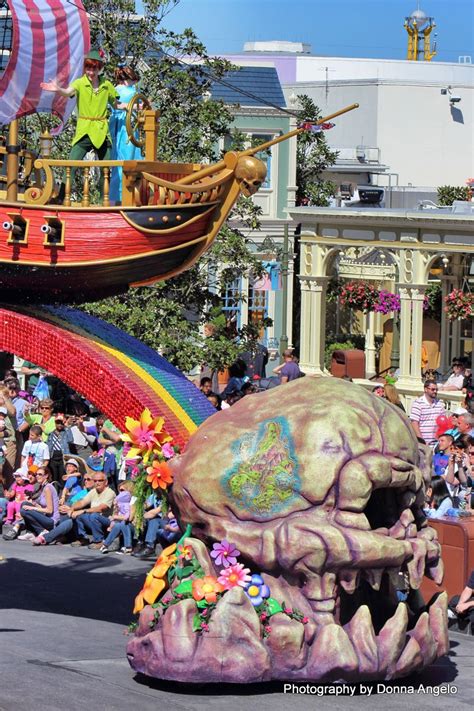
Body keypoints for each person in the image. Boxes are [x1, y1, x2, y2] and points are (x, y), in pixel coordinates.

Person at [40, 50, 118, 199]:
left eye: (94, 68)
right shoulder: (80, 83)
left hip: (101, 130)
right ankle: (61, 197)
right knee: (71, 166)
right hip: (84, 130)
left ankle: (104, 202)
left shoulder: (106, 85)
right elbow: (68, 91)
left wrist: (133, 106)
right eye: (88, 68)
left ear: (99, 68)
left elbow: (116, 104)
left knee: (106, 169)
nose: (91, 72)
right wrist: (58, 89)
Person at [109, 64, 142, 203]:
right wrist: (139, 107)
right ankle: (126, 197)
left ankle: (115, 198)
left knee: (119, 161)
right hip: (126, 128)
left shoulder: (114, 89)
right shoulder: (128, 91)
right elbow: (132, 105)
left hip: (119, 126)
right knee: (127, 160)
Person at [69, 471, 116, 548]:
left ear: (106, 482)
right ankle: (83, 538)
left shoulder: (110, 492)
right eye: (95, 481)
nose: (97, 483)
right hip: (94, 520)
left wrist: (83, 510)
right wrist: (72, 508)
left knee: (94, 515)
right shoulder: (93, 491)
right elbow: (82, 502)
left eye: (100, 480)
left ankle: (99, 541)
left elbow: (101, 508)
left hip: (107, 521)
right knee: (79, 515)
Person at [20, 466, 60, 538]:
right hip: (45, 517)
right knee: (24, 504)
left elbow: (49, 510)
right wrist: (34, 504)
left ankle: (41, 531)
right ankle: (30, 532)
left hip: (51, 521)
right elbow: (43, 507)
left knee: (25, 511)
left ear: (46, 476)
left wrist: (32, 508)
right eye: (36, 474)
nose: (37, 476)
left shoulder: (48, 488)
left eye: (40, 474)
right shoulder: (43, 487)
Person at [99, 480, 136, 554]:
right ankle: (105, 545)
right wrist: (112, 524)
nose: (121, 493)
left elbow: (128, 518)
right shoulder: (121, 503)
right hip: (123, 524)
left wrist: (115, 517)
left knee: (122, 524)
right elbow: (117, 516)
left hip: (133, 526)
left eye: (122, 490)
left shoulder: (133, 500)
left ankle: (128, 547)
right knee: (118, 525)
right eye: (120, 491)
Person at [409, 379, 446, 445]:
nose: (435, 391)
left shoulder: (440, 404)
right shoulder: (418, 403)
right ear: (425, 389)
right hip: (423, 442)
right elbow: (414, 423)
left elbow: (443, 423)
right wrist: (421, 441)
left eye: (436, 389)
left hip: (437, 443)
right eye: (432, 389)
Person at [46, 415, 74, 486]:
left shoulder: (65, 432)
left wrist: (67, 427)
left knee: (62, 475)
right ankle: (55, 491)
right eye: (57, 423)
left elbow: (71, 440)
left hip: (62, 457)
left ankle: (62, 491)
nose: (59, 425)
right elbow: (48, 445)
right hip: (53, 457)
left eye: (61, 423)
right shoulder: (51, 434)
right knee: (54, 476)